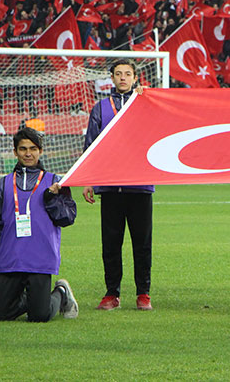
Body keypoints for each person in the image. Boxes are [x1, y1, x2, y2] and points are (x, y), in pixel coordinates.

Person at [0, 127, 78, 322]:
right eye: (23, 149)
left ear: (41, 151)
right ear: (15, 152)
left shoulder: (55, 181)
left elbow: (68, 218)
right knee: (2, 314)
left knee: (39, 316)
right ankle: (36, 298)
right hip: (11, 259)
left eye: (33, 148)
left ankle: (60, 291)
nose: (28, 153)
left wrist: (51, 198)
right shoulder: (3, 184)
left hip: (40, 259)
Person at [83, 59, 154, 311]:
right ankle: (112, 293)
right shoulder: (101, 108)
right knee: (111, 242)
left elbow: (158, 136)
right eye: (118, 74)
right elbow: (91, 146)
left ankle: (143, 293)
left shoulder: (146, 105)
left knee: (142, 243)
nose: (122, 78)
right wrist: (88, 179)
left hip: (140, 186)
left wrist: (148, 99)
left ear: (136, 78)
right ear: (111, 78)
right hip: (110, 187)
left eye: (127, 74)